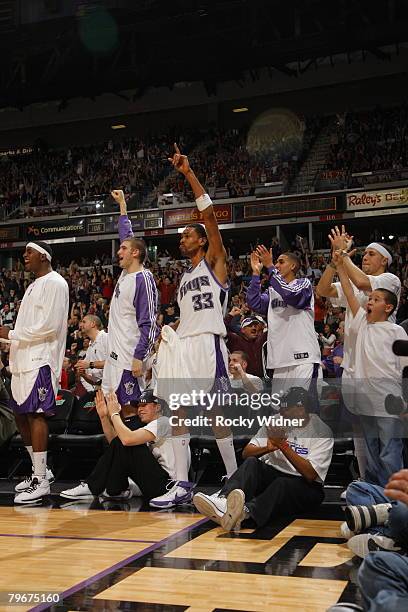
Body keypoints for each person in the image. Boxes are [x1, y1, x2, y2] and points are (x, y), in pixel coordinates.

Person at [153, 144, 237, 508]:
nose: (181, 238)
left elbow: (211, 217)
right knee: (179, 413)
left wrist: (188, 173)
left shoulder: (215, 263)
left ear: (202, 240)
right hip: (185, 346)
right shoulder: (184, 277)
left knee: (217, 413)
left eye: (187, 234)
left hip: (208, 345)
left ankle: (235, 478)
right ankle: (182, 483)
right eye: (182, 236)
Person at [317, 226, 401, 479]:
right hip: (355, 366)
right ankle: (368, 482)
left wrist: (344, 255)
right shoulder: (355, 283)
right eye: (364, 254)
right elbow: (323, 291)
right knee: (361, 431)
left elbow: (363, 284)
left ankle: (392, 491)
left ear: (384, 260)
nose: (365, 257)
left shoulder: (388, 281)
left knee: (387, 439)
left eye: (371, 254)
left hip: (380, 369)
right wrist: (335, 263)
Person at [193, 387, 333, 531]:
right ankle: (224, 502)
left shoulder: (321, 431)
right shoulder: (275, 421)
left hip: (306, 488)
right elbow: (246, 454)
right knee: (252, 462)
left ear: (300, 408)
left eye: (285, 408)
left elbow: (310, 475)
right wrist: (267, 448)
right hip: (275, 476)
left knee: (282, 484)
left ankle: (244, 515)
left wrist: (282, 445)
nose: (281, 412)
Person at [0, 241, 69, 503]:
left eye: (29, 252)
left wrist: (12, 334)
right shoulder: (32, 286)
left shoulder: (55, 282)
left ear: (44, 256)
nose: (24, 256)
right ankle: (41, 471)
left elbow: (49, 326)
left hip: (41, 358)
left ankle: (40, 481)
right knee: (21, 416)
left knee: (37, 414)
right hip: (22, 358)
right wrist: (10, 341)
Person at [332, 248, 407, 487]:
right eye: (369, 299)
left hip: (389, 402)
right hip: (367, 400)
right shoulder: (362, 323)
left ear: (388, 308)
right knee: (373, 455)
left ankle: (396, 500)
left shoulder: (398, 331)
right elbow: (348, 291)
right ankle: (375, 498)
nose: (369, 302)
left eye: (375, 299)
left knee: (390, 452)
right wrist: (339, 265)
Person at [60, 389, 175, 502]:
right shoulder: (150, 427)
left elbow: (126, 440)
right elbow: (117, 445)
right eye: (139, 406)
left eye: (144, 405)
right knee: (123, 441)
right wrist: (104, 417)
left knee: (127, 440)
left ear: (158, 407)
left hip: (168, 487)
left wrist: (114, 413)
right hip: (156, 483)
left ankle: (91, 486)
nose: (140, 409)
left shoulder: (164, 422)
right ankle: (116, 491)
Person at [103, 189, 159, 406]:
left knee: (132, 411)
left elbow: (149, 324)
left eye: (123, 249)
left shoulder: (143, 279)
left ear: (135, 253)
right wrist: (123, 205)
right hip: (113, 357)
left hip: (129, 358)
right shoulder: (126, 273)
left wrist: (139, 356)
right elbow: (127, 234)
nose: (119, 251)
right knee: (108, 409)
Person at [247, 245, 321, 388]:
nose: (276, 265)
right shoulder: (272, 291)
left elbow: (291, 295)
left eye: (281, 262)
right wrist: (256, 274)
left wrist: (269, 266)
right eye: (276, 262)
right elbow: (254, 303)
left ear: (293, 266)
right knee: (279, 409)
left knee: (303, 408)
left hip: (303, 358)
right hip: (279, 359)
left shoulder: (303, 284)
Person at [224, 310, 266, 378]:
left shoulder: (260, 341)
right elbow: (222, 329)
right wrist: (230, 315)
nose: (254, 328)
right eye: (250, 326)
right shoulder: (235, 340)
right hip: (240, 379)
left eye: (255, 326)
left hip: (261, 380)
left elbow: (273, 329)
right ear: (243, 330)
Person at [74, 315, 108, 394]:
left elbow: (115, 362)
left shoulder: (106, 338)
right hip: (100, 389)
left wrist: (90, 364)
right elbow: (94, 382)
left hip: (114, 385)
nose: (80, 325)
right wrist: (83, 374)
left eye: (84, 322)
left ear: (93, 324)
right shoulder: (90, 348)